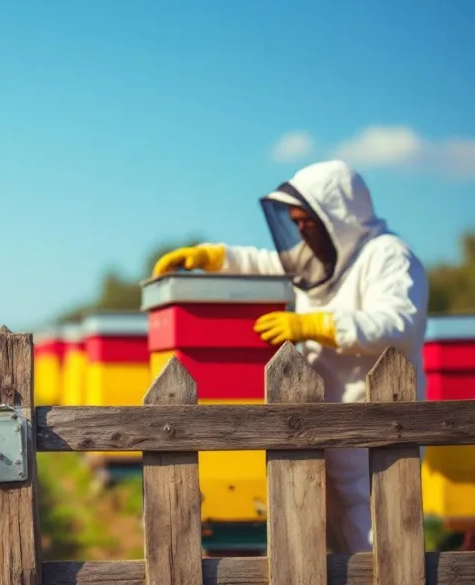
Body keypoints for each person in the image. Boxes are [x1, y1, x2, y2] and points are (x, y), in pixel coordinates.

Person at [151, 159, 429, 553]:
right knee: (331, 539)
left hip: (379, 425)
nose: (300, 230)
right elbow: (268, 265)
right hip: (325, 419)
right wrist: (213, 257)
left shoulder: (390, 257)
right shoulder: (320, 259)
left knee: (376, 535)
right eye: (295, 222)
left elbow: (399, 322)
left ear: (336, 217)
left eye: (307, 221)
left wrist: (316, 325)